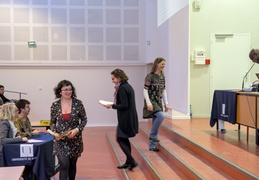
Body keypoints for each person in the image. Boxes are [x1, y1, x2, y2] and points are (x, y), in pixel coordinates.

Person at [102, 69, 139, 171]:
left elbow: (124, 105)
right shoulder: (128, 86)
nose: (112, 81)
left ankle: (132, 161)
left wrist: (111, 106)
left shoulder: (122, 88)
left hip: (125, 118)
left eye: (113, 78)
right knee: (124, 139)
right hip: (129, 117)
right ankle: (128, 162)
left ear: (118, 77)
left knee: (120, 139)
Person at [50, 80, 87, 180]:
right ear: (60, 92)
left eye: (70, 89)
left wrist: (77, 130)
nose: (68, 92)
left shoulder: (78, 103)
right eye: (65, 90)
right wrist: (55, 133)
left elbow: (84, 120)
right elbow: (52, 122)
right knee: (64, 165)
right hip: (61, 140)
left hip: (75, 139)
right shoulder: (55, 105)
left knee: (72, 165)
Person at [143, 57, 169, 152]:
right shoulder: (150, 76)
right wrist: (148, 103)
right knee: (160, 115)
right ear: (156, 64)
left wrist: (166, 103)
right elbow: (145, 91)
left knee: (156, 119)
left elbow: (164, 90)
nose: (163, 66)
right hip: (152, 100)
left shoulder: (162, 76)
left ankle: (152, 145)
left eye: (164, 64)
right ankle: (153, 136)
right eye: (162, 64)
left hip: (158, 101)